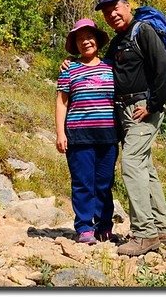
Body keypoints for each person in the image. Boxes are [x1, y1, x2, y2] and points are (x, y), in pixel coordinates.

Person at [92, 0, 166, 256]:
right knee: (145, 166)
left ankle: (144, 234)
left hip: (142, 108)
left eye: (115, 8)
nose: (112, 14)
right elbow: (102, 68)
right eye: (107, 12)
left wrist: (153, 105)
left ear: (128, 6)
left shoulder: (143, 31)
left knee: (130, 163)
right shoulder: (118, 42)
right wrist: (72, 64)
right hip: (125, 110)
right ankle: (162, 228)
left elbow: (163, 68)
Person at [55, 18, 119, 244]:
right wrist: (60, 133)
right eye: (80, 39)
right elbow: (62, 102)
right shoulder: (69, 69)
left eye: (89, 37)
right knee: (82, 183)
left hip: (108, 135)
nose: (86, 42)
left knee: (103, 183)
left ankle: (104, 226)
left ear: (97, 41)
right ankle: (84, 228)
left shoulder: (112, 67)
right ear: (75, 44)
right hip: (78, 135)